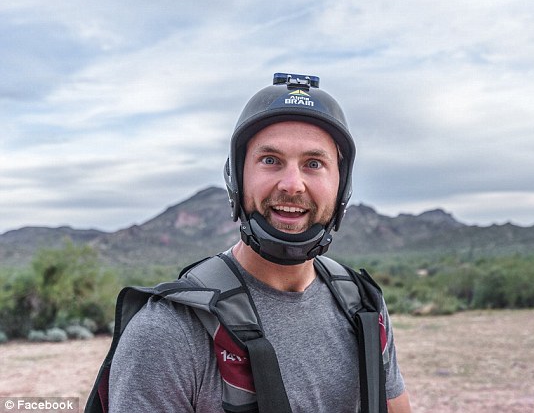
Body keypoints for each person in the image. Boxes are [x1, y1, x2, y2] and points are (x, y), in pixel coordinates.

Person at [107, 73, 411, 412]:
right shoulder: (168, 331)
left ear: (342, 185)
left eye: (314, 163)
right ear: (237, 177)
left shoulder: (364, 307)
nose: (292, 184)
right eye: (270, 160)